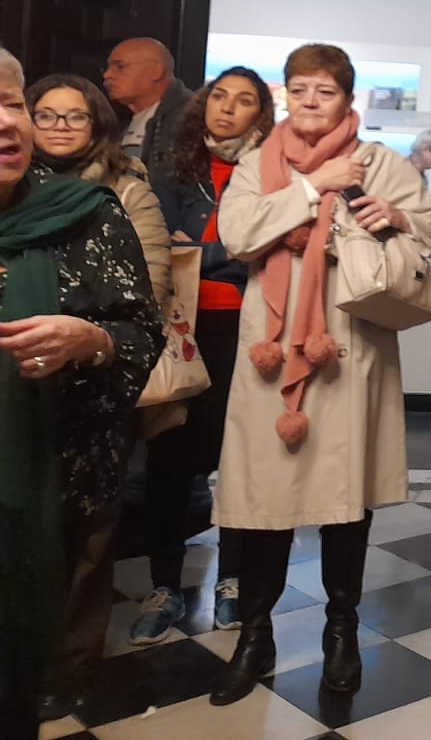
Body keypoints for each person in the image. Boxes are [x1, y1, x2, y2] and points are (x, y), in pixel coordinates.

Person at [208, 44, 431, 707]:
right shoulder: (258, 163)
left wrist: (397, 217)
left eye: (325, 91)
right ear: (285, 96)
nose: (310, 102)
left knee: (347, 499)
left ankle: (340, 630)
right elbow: (238, 235)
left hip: (349, 346)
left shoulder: (380, 162)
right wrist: (313, 186)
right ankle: (254, 636)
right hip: (271, 348)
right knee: (263, 498)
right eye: (299, 90)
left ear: (348, 99)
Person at [0, 48, 165, 733]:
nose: (5, 122)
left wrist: (90, 340)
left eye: (11, 102)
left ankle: (53, 680)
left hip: (49, 473)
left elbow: (141, 332)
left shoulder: (85, 212)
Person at [135, 67, 275, 645]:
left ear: (260, 115)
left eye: (244, 100)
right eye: (220, 96)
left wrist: (206, 251)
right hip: (180, 327)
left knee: (239, 457)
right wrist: (230, 253)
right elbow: (159, 244)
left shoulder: (270, 172)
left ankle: (232, 580)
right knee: (169, 455)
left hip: (248, 329)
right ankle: (164, 585)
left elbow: (266, 248)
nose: (227, 107)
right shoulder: (173, 166)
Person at [102, 37, 192, 176]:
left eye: (120, 66)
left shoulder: (190, 118)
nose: (107, 75)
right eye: (107, 68)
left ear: (156, 71)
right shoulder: (115, 118)